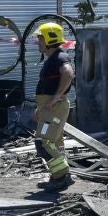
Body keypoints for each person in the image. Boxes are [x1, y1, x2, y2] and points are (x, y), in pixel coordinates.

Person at [32, 22, 74, 191]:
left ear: (50, 38)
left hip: (55, 108)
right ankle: (59, 177)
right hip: (49, 109)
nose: (38, 42)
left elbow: (68, 73)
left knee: (43, 141)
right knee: (55, 143)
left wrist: (56, 97)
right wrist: (41, 108)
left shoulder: (60, 57)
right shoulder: (53, 58)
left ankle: (62, 175)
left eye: (40, 38)